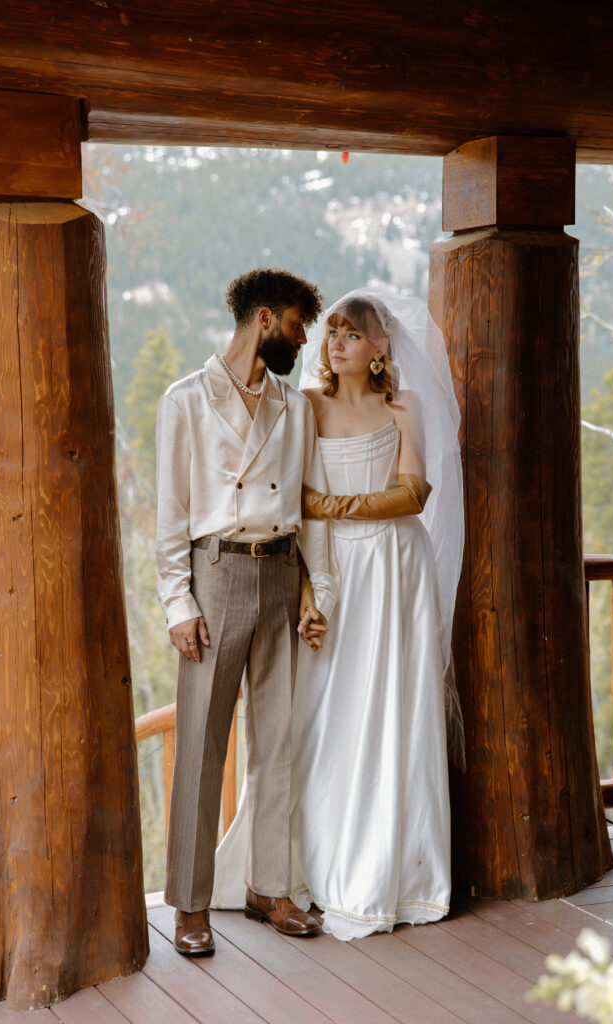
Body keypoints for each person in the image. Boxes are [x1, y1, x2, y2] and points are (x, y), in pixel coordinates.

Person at [213, 288, 464, 941]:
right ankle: (302, 869)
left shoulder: (404, 406)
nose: (335, 345)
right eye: (331, 334)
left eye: (352, 335)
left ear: (380, 347)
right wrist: (311, 584)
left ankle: (393, 871)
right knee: (324, 713)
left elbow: (413, 493)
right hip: (335, 573)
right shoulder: (308, 407)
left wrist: (334, 507)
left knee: (395, 710)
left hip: (396, 570)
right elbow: (291, 496)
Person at [156, 268, 338, 956]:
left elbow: (311, 506)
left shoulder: (295, 410)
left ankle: (269, 887)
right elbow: (170, 518)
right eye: (296, 327)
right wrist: (178, 602)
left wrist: (319, 589)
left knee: (276, 743)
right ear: (264, 320)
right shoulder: (185, 400)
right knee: (202, 745)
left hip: (279, 574)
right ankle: (191, 905)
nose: (301, 341)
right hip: (215, 574)